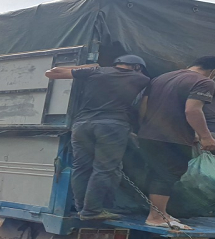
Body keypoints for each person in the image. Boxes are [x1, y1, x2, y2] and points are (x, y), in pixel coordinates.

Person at [45, 55, 150, 220]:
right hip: (112, 125)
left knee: (81, 168)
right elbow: (143, 105)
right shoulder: (142, 79)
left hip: (81, 125)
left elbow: (51, 73)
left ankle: (82, 209)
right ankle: (92, 211)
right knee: (104, 168)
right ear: (137, 67)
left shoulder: (94, 71)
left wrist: (90, 67)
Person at [137, 56, 215, 230]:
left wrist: (143, 127)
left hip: (148, 134)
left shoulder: (161, 78)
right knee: (167, 174)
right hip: (173, 137)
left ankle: (160, 212)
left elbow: (144, 104)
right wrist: (205, 136)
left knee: (155, 172)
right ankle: (155, 217)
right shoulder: (204, 82)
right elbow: (192, 110)